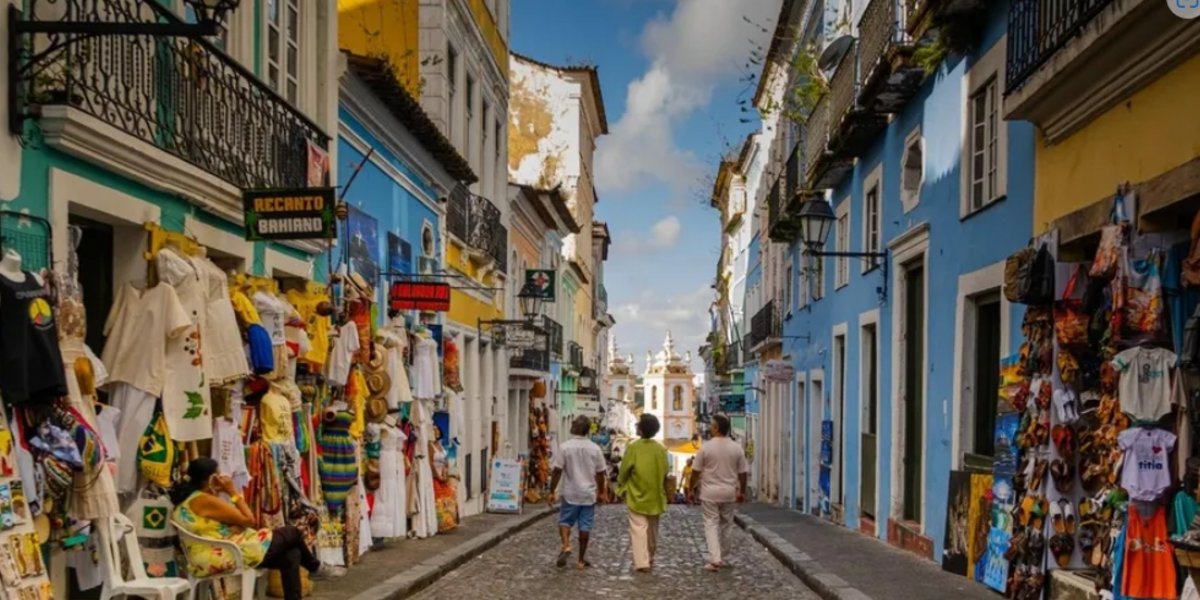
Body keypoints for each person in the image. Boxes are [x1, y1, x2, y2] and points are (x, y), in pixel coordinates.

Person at [170, 458, 343, 600]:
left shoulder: (193, 499)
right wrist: (232, 492)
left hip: (214, 552)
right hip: (225, 554)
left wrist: (236, 524)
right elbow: (249, 519)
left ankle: (312, 572)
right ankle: (315, 567)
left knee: (292, 554)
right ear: (211, 478)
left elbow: (221, 524)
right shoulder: (204, 500)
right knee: (292, 532)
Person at [690, 414, 749, 571]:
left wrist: (691, 488)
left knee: (710, 524)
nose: (709, 427)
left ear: (716, 428)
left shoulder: (706, 447)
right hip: (729, 492)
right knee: (726, 524)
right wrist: (742, 491)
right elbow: (743, 473)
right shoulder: (736, 448)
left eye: (711, 425)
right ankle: (724, 555)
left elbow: (695, 471)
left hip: (709, 492)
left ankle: (715, 558)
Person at [548, 415, 608, 569]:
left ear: (575, 428)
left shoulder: (565, 447)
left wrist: (551, 491)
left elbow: (557, 470)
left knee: (564, 522)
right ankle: (581, 560)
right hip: (588, 494)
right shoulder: (595, 448)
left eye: (573, 423)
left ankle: (567, 545)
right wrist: (601, 492)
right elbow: (600, 473)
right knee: (585, 527)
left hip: (570, 493)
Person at [617, 414, 669, 573]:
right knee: (652, 529)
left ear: (640, 429)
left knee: (638, 528)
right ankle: (650, 555)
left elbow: (625, 469)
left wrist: (621, 485)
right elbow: (666, 471)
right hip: (655, 493)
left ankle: (642, 562)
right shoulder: (661, 449)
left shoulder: (633, 447)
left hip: (636, 493)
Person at [429, 423, 459, 532]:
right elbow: (431, 462)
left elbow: (445, 460)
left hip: (443, 474)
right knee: (438, 500)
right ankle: (440, 524)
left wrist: (446, 472)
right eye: (433, 430)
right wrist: (438, 476)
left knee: (448, 498)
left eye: (437, 430)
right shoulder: (430, 445)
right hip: (435, 476)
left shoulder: (440, 445)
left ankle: (448, 522)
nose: (436, 432)